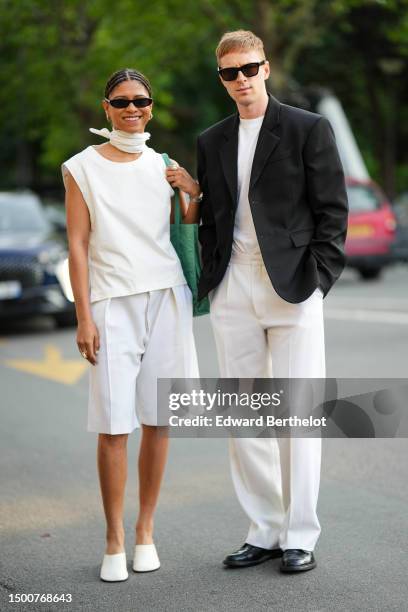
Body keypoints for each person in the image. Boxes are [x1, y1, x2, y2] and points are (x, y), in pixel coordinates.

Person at [195, 31, 348, 573]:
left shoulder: (308, 129)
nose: (240, 80)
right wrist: (214, 276)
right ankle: (264, 528)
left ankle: (300, 535)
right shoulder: (211, 139)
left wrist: (318, 281)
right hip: (233, 288)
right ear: (221, 78)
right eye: (229, 73)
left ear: (266, 68)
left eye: (248, 68)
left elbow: (332, 212)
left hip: (293, 287)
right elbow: (213, 214)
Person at [61, 68, 200, 582]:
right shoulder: (81, 167)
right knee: (115, 426)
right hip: (111, 303)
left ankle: (145, 530)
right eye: (121, 101)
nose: (132, 108)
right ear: (106, 107)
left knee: (159, 419)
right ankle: (113, 538)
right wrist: (83, 315)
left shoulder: (163, 164)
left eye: (140, 100)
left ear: (151, 106)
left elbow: (183, 230)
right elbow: (77, 243)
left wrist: (193, 191)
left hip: (166, 295)